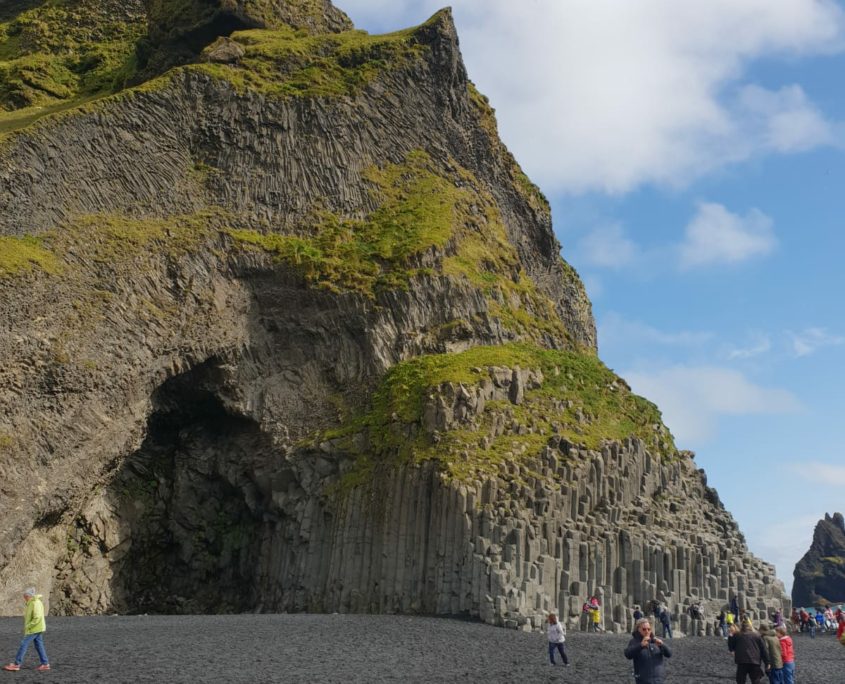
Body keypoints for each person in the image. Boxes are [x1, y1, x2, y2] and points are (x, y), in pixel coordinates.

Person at [2, 588, 50, 672]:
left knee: (23, 644)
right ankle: (45, 664)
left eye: (25, 596)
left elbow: (37, 618)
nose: (24, 597)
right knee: (39, 645)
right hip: (37, 628)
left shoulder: (35, 603)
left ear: (28, 596)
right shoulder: (32, 602)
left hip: (34, 628)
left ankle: (16, 664)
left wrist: (28, 626)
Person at [624, 618, 671, 684]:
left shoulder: (655, 641)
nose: (647, 631)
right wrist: (640, 646)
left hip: (659, 680)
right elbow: (628, 654)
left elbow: (669, 654)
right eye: (644, 629)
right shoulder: (634, 641)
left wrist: (662, 645)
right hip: (643, 680)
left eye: (649, 629)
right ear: (638, 629)